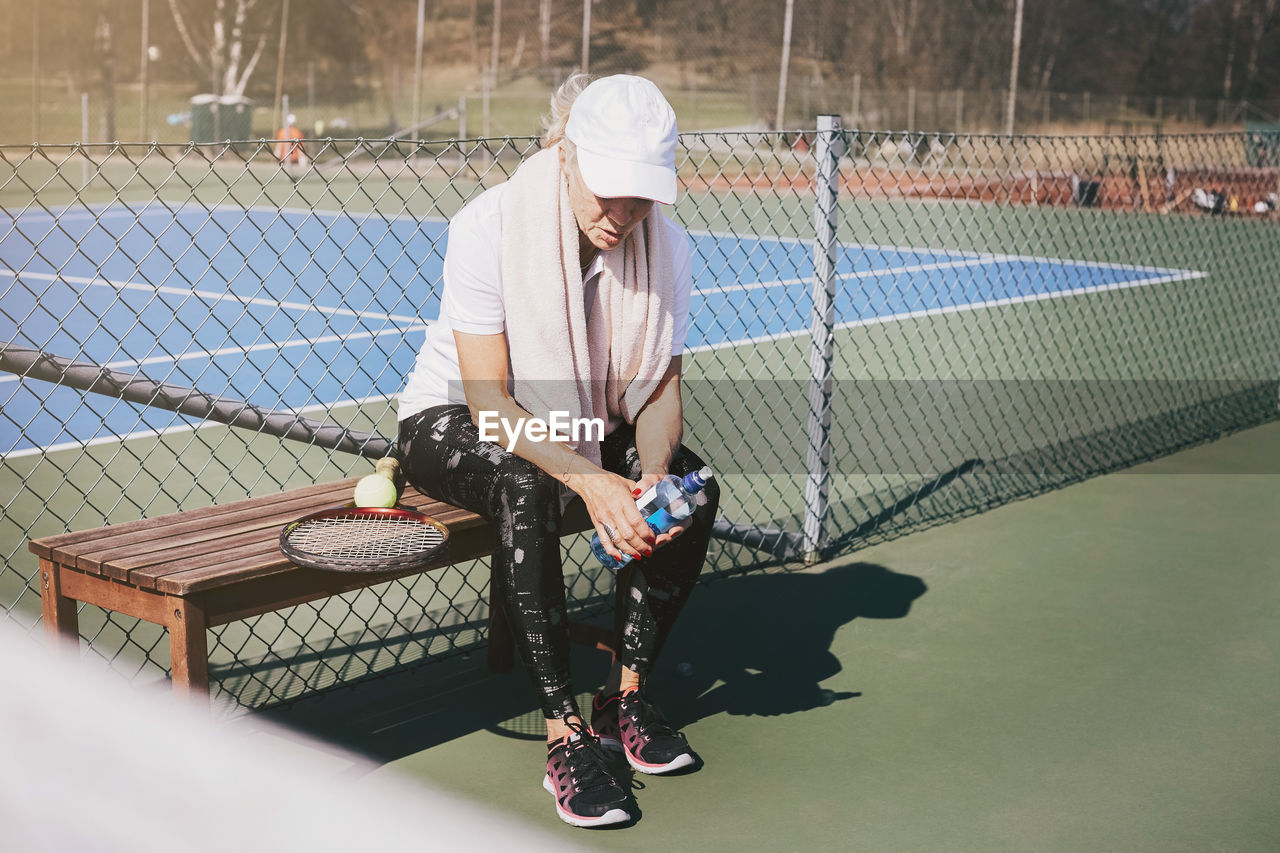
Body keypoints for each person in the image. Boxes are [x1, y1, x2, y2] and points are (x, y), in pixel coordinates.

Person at [396, 73, 719, 829]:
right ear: (568, 157)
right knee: (524, 482)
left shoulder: (667, 247)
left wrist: (653, 478)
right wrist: (595, 482)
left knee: (692, 492)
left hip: (581, 415)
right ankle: (564, 734)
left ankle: (623, 698)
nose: (624, 214)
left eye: (642, 196)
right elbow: (490, 404)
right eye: (610, 190)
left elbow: (659, 393)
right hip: (450, 420)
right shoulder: (490, 224)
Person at [273, 114, 308, 178]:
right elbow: (300, 148)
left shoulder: (282, 132)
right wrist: (302, 160)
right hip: (295, 159)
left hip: (284, 159)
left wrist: (276, 158)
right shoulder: (298, 132)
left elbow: (278, 147)